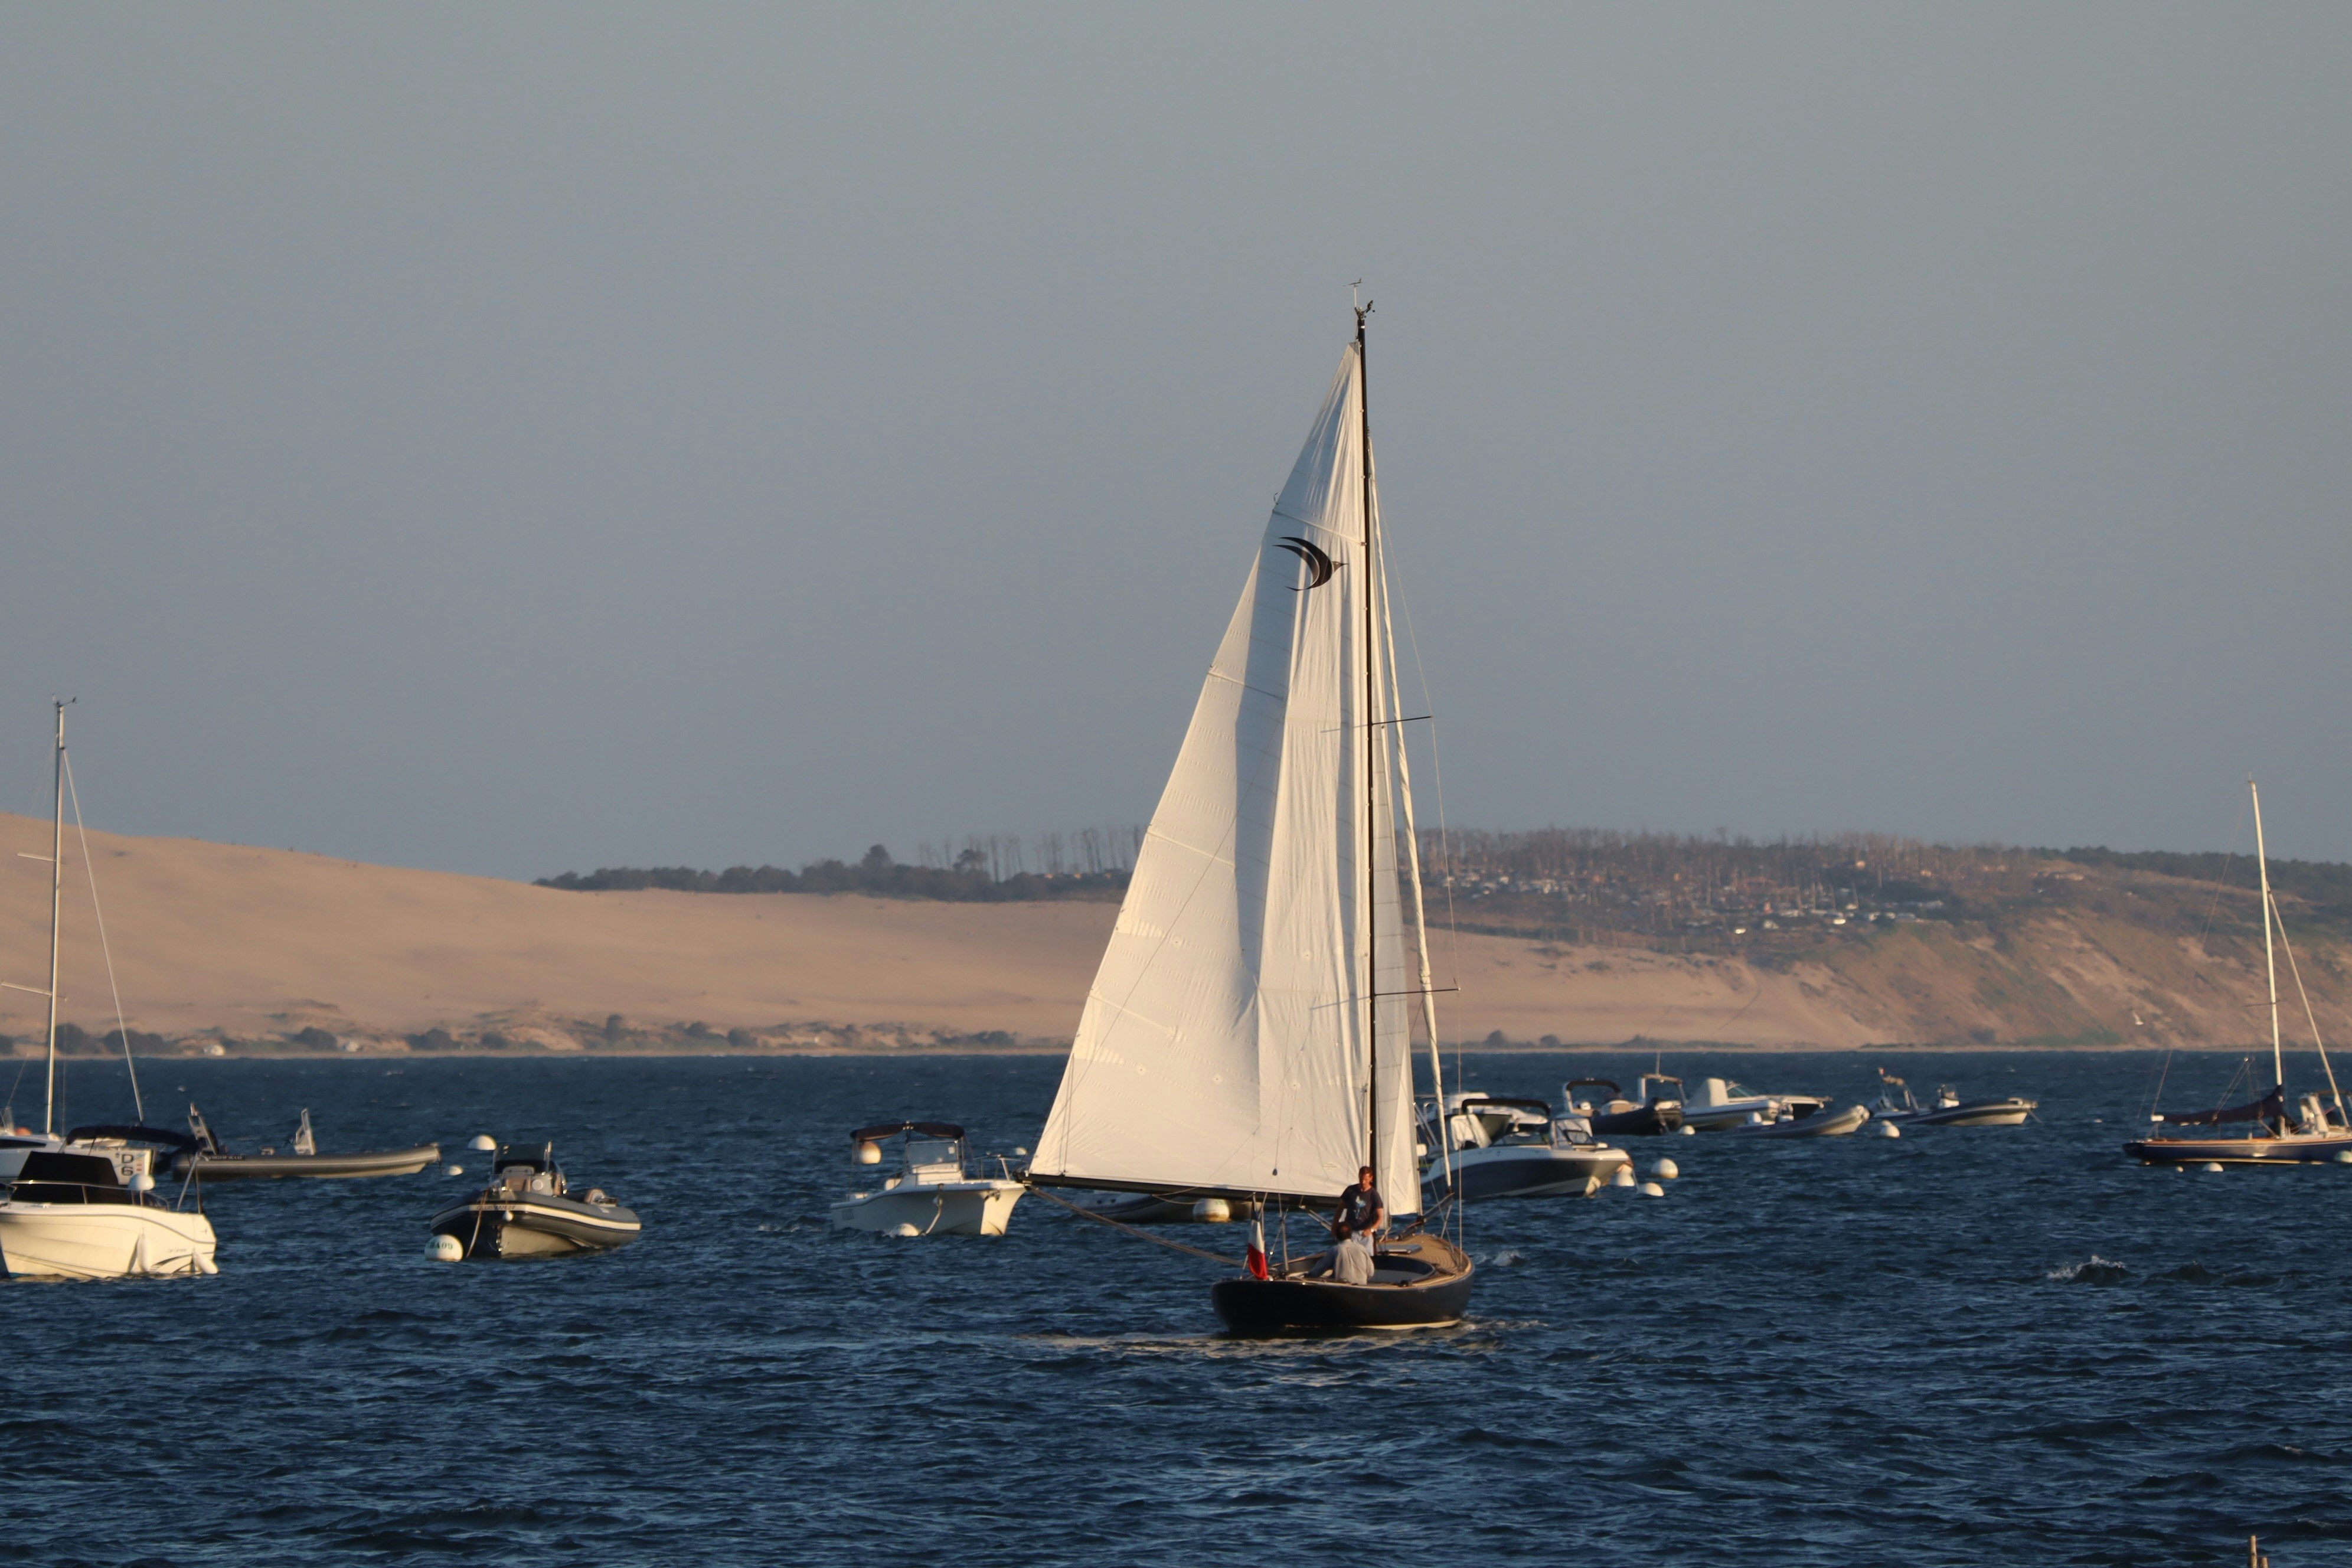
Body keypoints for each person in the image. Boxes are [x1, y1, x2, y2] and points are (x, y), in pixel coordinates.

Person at [1335, 1165, 1385, 1240]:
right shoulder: (1350, 1190)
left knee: (1366, 1252)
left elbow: (1380, 1217)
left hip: (1365, 1233)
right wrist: (1335, 1225)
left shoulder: (1374, 1195)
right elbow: (1340, 1208)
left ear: (1371, 1178)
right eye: (1361, 1179)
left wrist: (1372, 1230)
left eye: (1366, 1180)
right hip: (1350, 1232)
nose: (1363, 1182)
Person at [1331, 1221, 1375, 1285]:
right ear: (1350, 1234)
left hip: (1342, 1287)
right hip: (1362, 1285)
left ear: (1337, 1236)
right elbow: (1371, 1273)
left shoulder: (1335, 1250)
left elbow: (1318, 1270)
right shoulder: (1363, 1250)